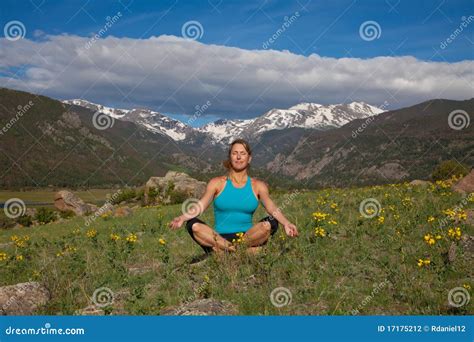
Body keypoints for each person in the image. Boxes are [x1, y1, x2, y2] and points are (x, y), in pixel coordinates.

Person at [168, 138, 298, 256]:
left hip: (248, 237)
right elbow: (201, 205)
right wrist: (182, 218)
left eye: (243, 153)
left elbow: (271, 207)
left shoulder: (258, 185)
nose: (239, 157)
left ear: (249, 158)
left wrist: (286, 223)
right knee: (193, 225)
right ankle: (239, 251)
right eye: (235, 153)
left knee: (270, 223)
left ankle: (230, 251)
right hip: (218, 238)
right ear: (230, 157)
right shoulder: (217, 183)